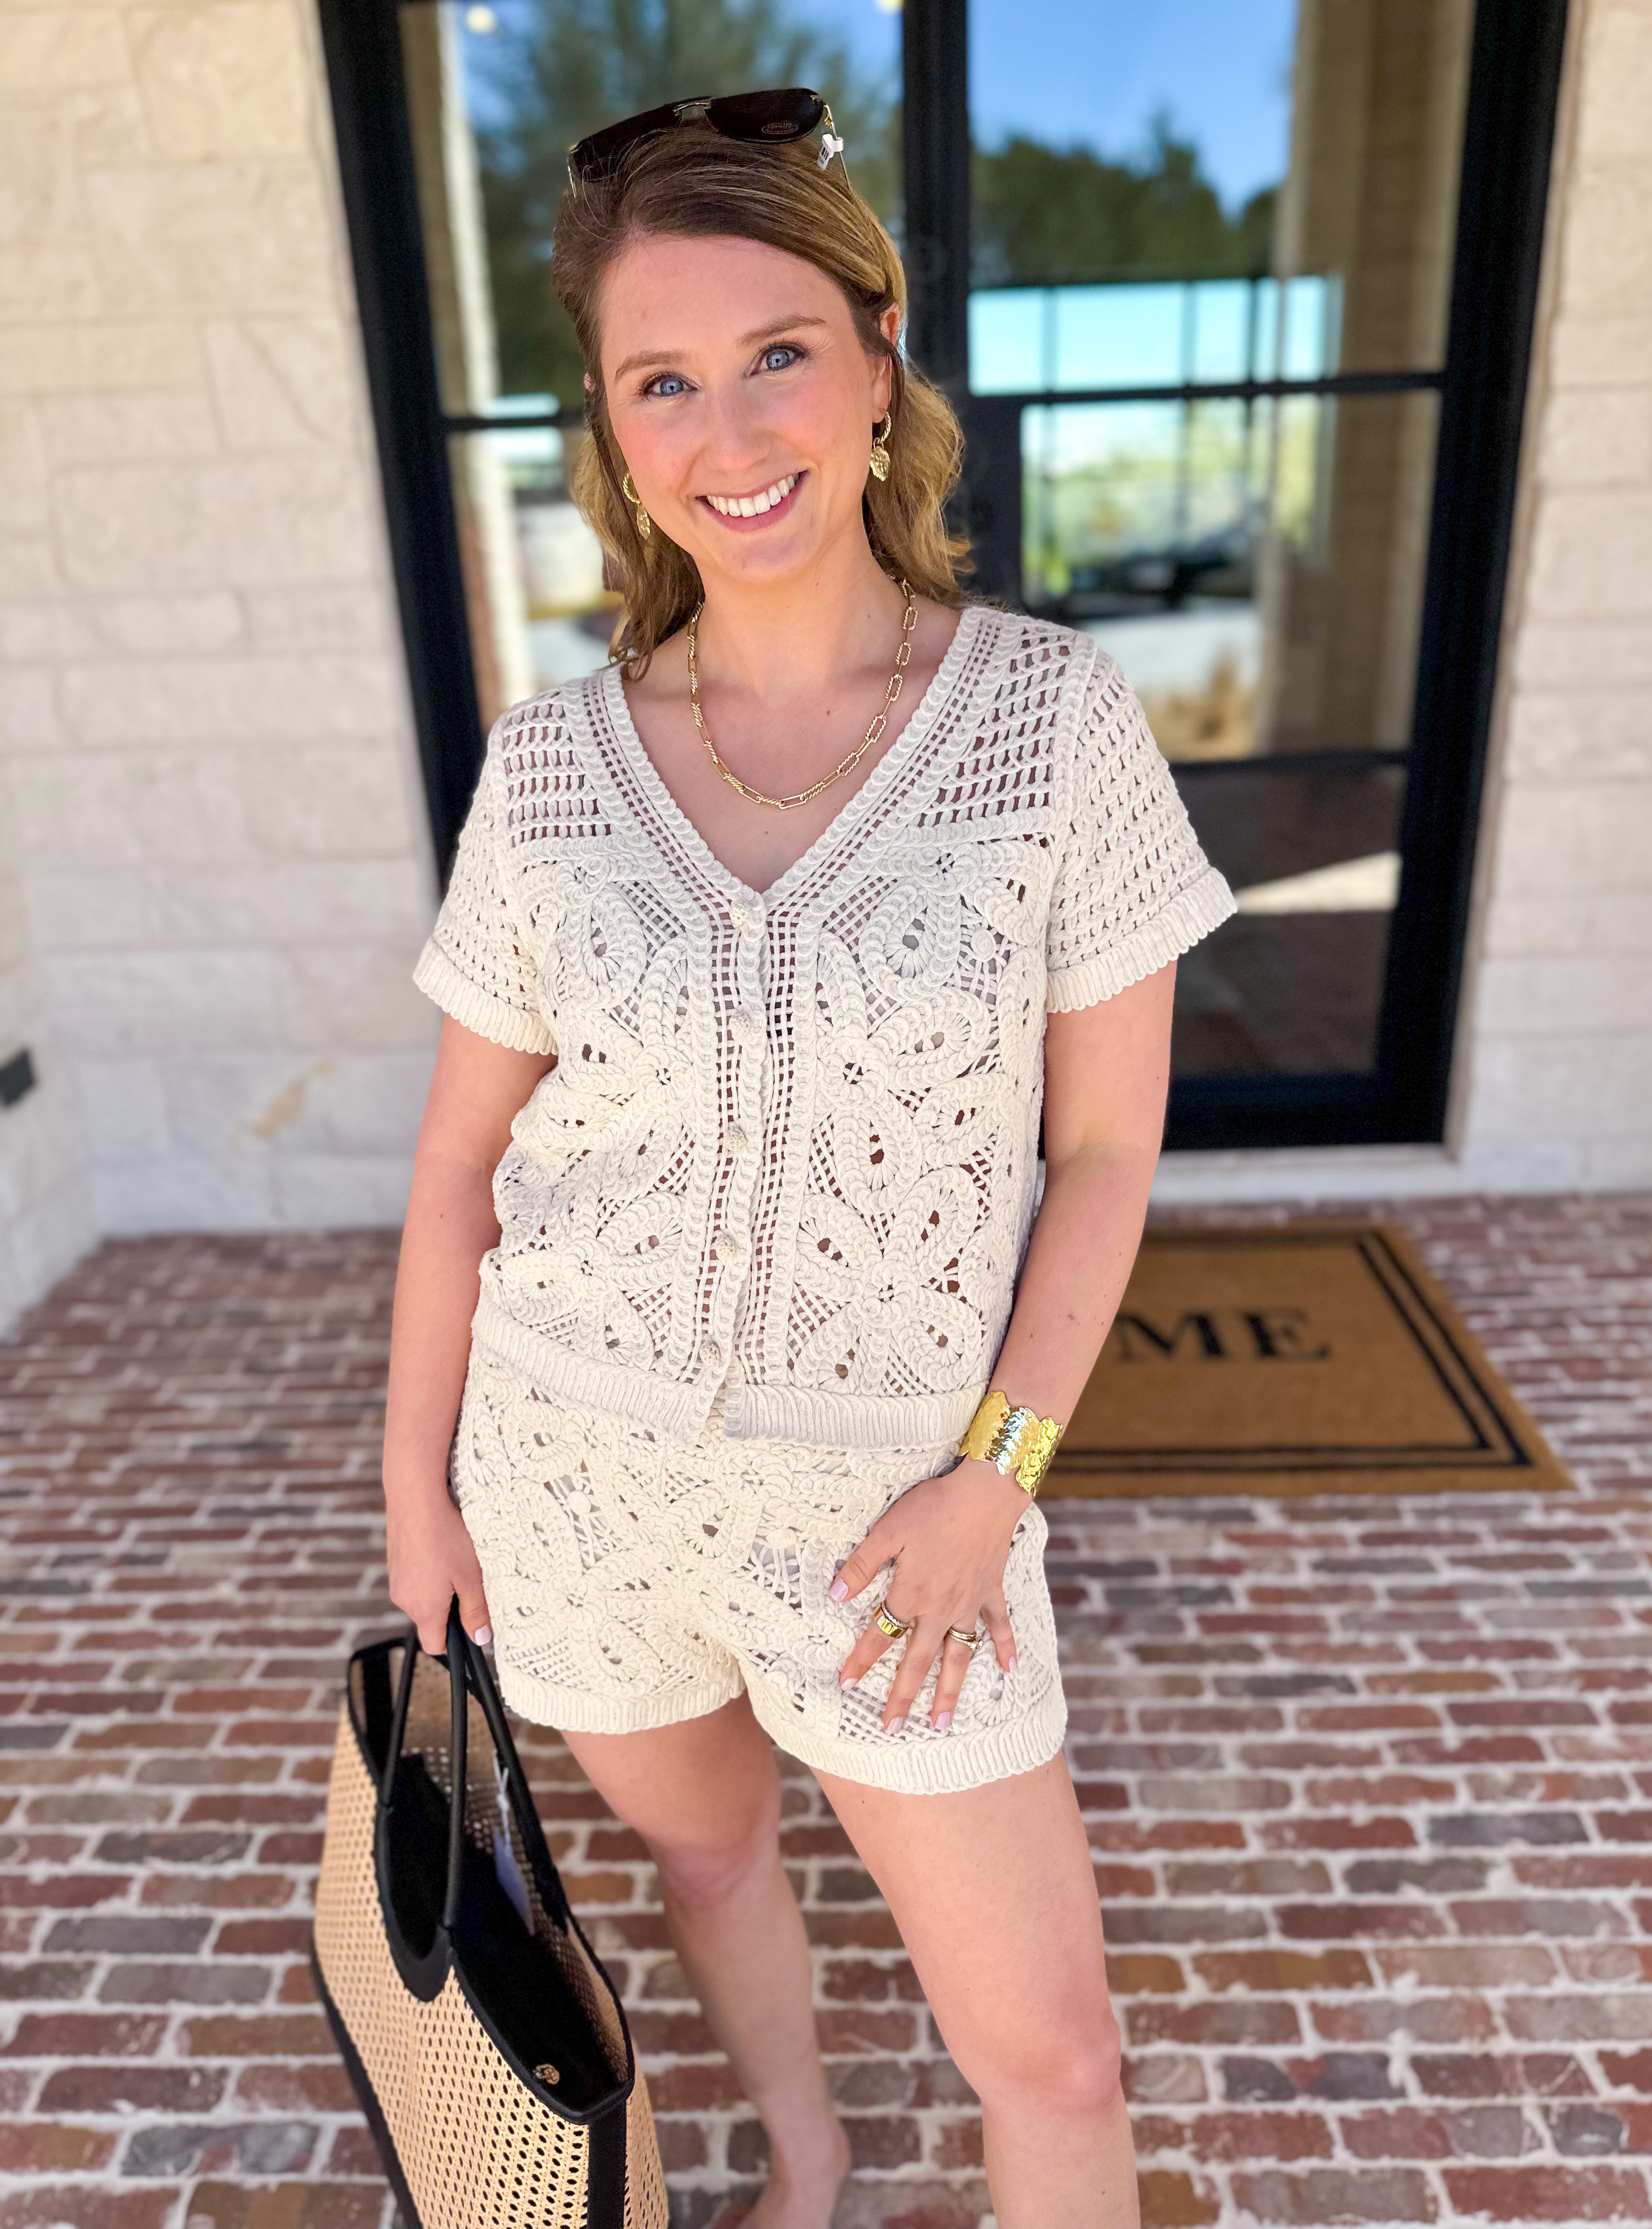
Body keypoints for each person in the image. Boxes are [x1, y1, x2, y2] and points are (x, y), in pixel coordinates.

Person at [382, 87, 1235, 2229]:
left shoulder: (1050, 726)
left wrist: (998, 1478)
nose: (731, 430)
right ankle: (812, 2152)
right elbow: (464, 1164)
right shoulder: (554, 770)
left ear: (877, 356)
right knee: (709, 1857)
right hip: (577, 1487)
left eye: (778, 351)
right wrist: (418, 1491)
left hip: (894, 1524)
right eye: (663, 378)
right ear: (610, 425)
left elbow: (1107, 1151)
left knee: (1054, 2055)